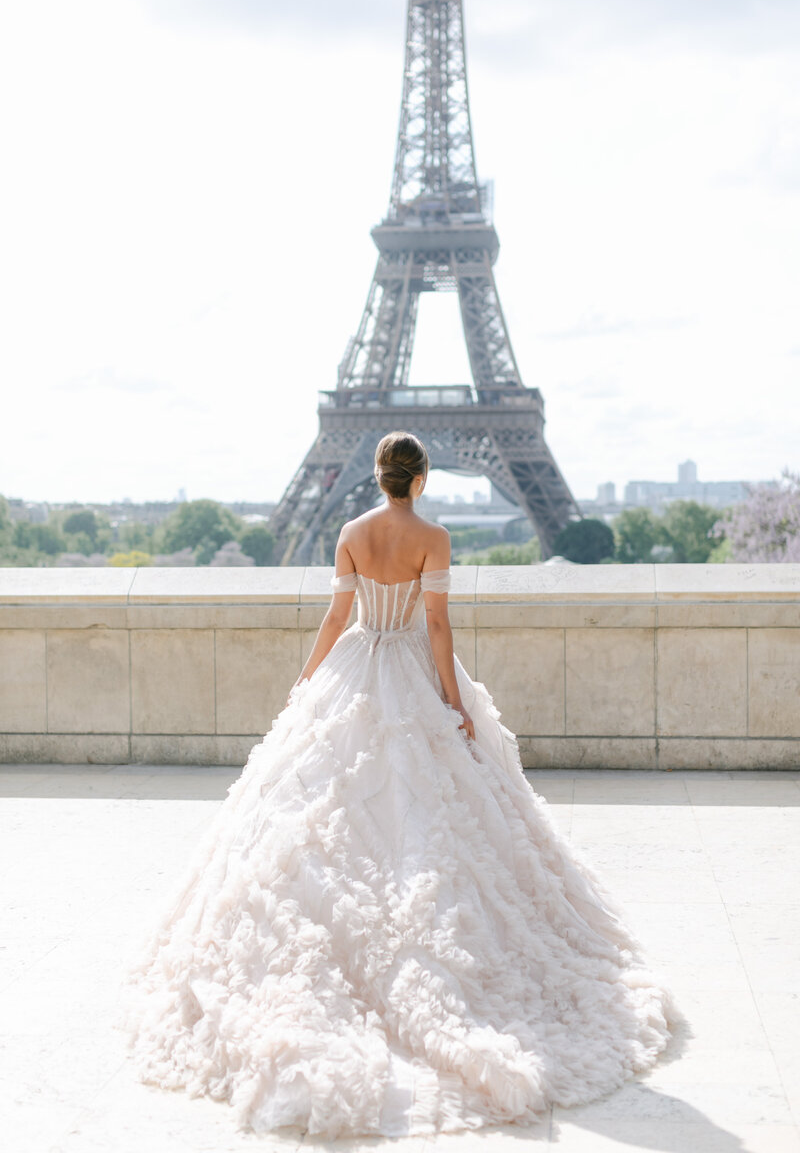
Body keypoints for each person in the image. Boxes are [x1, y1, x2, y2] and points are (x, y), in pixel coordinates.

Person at [114, 431, 684, 1138]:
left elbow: (335, 616)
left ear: (378, 475)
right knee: (432, 823)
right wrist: (452, 701)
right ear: (421, 478)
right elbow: (437, 625)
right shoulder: (435, 537)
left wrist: (309, 676)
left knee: (330, 817)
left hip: (356, 666)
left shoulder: (351, 531)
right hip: (411, 667)